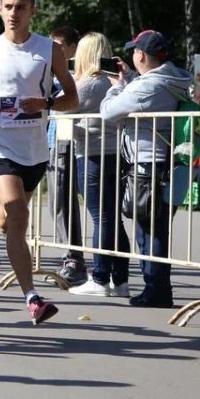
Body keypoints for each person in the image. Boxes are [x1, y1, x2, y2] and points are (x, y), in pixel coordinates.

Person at [0, 0, 76, 325]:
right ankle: (33, 298)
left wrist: (46, 103)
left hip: (35, 147)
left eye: (21, 7)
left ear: (33, 11)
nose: (14, 13)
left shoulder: (49, 50)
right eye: (8, 7)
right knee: (19, 215)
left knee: (9, 218)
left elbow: (72, 98)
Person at [99, 30, 193, 309]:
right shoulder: (172, 79)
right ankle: (157, 288)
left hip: (148, 164)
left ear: (140, 55)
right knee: (155, 228)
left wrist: (117, 86)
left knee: (148, 230)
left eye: (134, 51)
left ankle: (157, 290)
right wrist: (129, 78)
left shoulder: (149, 86)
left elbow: (109, 112)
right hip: (167, 162)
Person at [66, 32, 131, 297]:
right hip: (118, 154)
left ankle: (100, 278)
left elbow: (61, 109)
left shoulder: (87, 84)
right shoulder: (114, 82)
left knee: (100, 218)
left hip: (93, 154)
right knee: (114, 219)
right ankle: (121, 280)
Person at [47, 26, 86, 285]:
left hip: (68, 142)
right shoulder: (50, 73)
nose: (55, 51)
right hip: (51, 141)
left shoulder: (75, 75)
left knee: (63, 201)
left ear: (73, 48)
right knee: (55, 203)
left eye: (60, 46)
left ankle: (73, 260)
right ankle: (69, 257)